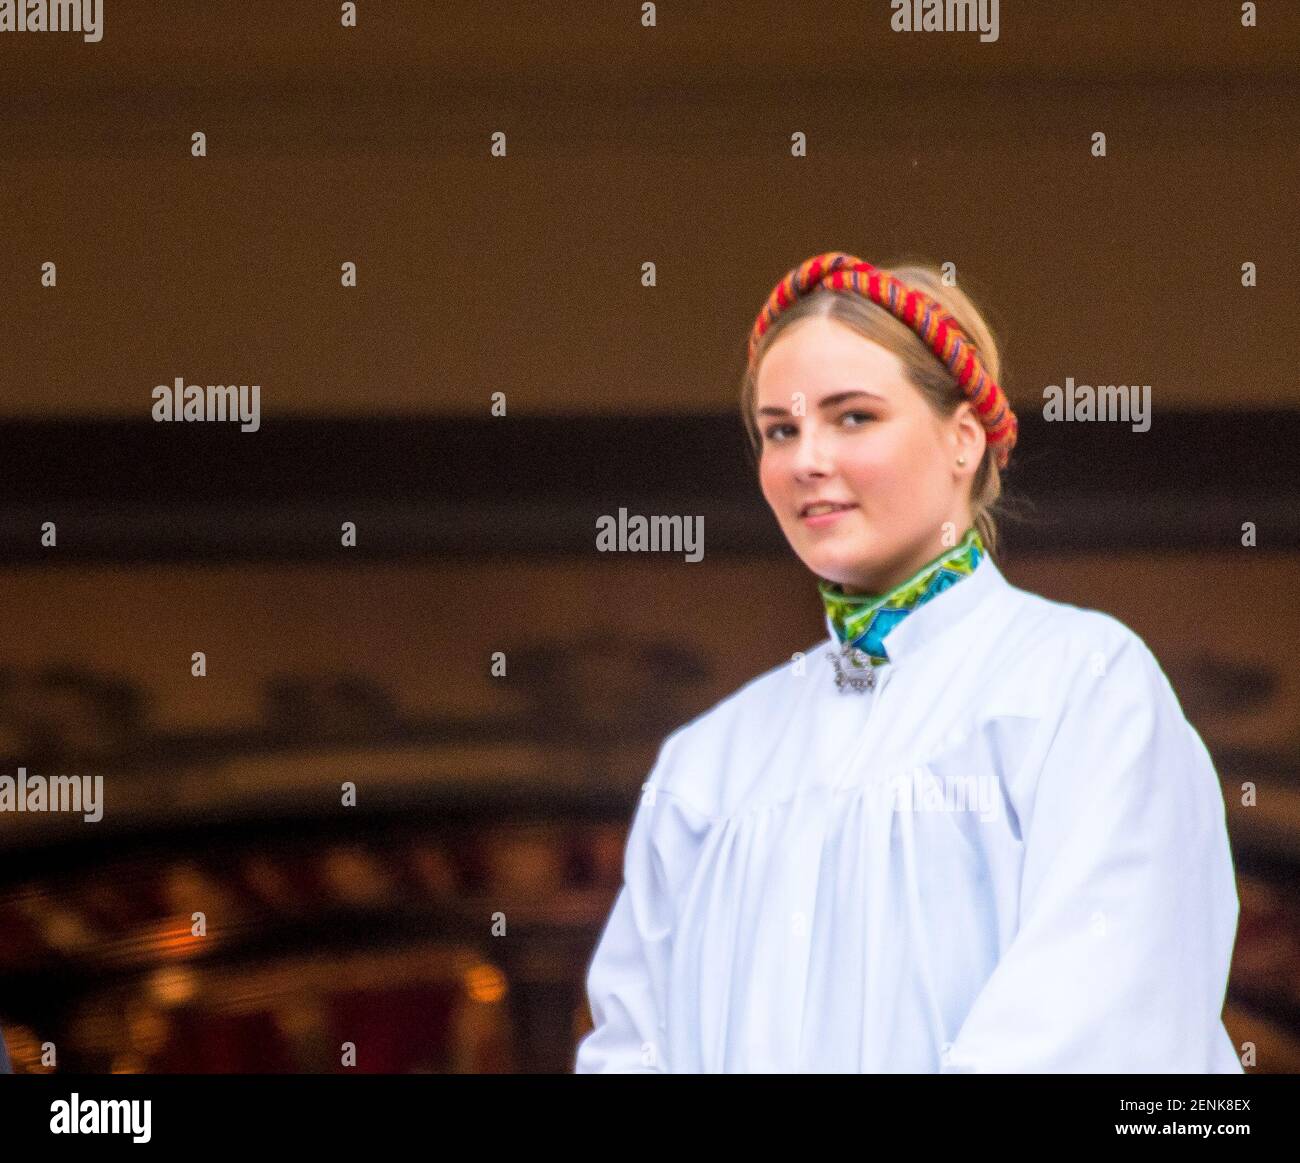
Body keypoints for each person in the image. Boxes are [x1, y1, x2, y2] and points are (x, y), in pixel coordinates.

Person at [573, 252, 1242, 1074]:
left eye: (852, 416)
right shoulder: (707, 761)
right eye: (780, 429)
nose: (806, 459)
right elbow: (630, 1047)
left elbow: (1103, 1022)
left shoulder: (1083, 686)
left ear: (964, 438)